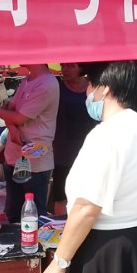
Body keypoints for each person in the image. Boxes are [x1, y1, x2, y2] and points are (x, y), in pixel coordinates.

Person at [38, 60, 137, 273]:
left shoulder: (106, 135)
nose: (87, 91)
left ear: (105, 88)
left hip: (106, 249)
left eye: (90, 84)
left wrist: (59, 263)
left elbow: (87, 207)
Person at [0, 64, 60, 222]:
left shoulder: (46, 84)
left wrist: (0, 112)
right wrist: (11, 127)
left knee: (34, 215)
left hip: (35, 160)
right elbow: (11, 108)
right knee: (14, 212)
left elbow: (19, 117)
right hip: (14, 156)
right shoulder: (27, 79)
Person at [52, 63, 97, 215]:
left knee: (89, 196)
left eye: (70, 66)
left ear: (82, 68)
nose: (65, 70)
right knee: (61, 197)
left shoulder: (95, 88)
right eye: (63, 66)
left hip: (90, 153)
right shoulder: (57, 89)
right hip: (63, 153)